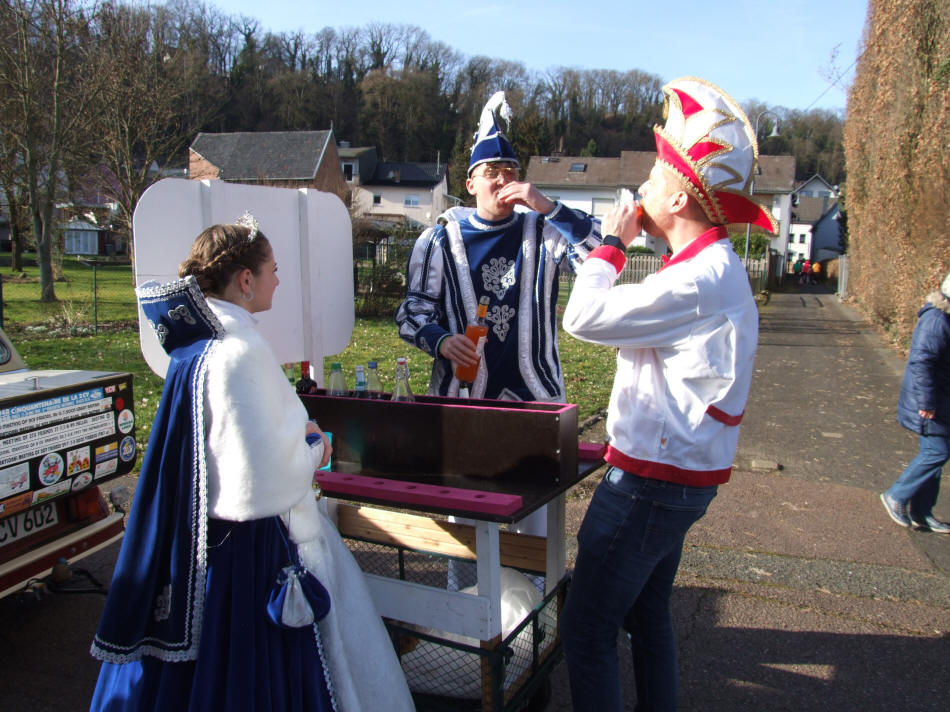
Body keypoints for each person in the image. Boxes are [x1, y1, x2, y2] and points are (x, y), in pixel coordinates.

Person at [90, 217, 415, 711]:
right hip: (250, 553)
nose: (278, 281)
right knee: (250, 676)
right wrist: (313, 448)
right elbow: (261, 481)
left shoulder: (193, 347)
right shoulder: (239, 351)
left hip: (202, 543)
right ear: (245, 280)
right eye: (273, 270)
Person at [560, 77, 776, 712]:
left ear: (679, 195)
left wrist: (612, 242)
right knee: (647, 618)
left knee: (587, 629)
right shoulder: (706, 269)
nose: (641, 190)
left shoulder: (697, 280)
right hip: (680, 478)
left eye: (653, 179)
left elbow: (584, 317)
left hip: (651, 485)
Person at [394, 91, 601, 543]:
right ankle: (468, 608)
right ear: (471, 183)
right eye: (492, 172)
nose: (504, 180)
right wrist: (441, 340)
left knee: (536, 526)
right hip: (463, 406)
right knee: (467, 530)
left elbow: (603, 256)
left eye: (511, 171)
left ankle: (534, 613)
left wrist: (548, 205)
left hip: (536, 403)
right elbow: (412, 312)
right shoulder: (439, 240)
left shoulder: (543, 231)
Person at [880, 270, 950, 534]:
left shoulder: (942, 318)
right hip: (932, 403)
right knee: (937, 453)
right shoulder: (937, 320)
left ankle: (922, 512)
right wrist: (928, 401)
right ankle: (896, 495)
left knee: (936, 455)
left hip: (939, 400)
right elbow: (922, 362)